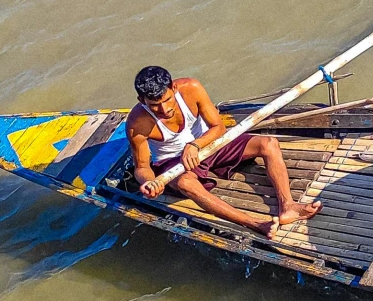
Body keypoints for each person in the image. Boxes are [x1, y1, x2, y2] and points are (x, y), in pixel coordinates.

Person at [124, 66, 321, 233]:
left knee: (268, 143)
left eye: (168, 100)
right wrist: (151, 183)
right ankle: (254, 223)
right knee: (185, 183)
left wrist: (195, 145)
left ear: (174, 88)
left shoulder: (191, 88)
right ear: (142, 101)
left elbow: (218, 128)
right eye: (155, 105)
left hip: (209, 144)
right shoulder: (136, 123)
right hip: (175, 162)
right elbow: (141, 167)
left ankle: (288, 206)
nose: (164, 109)